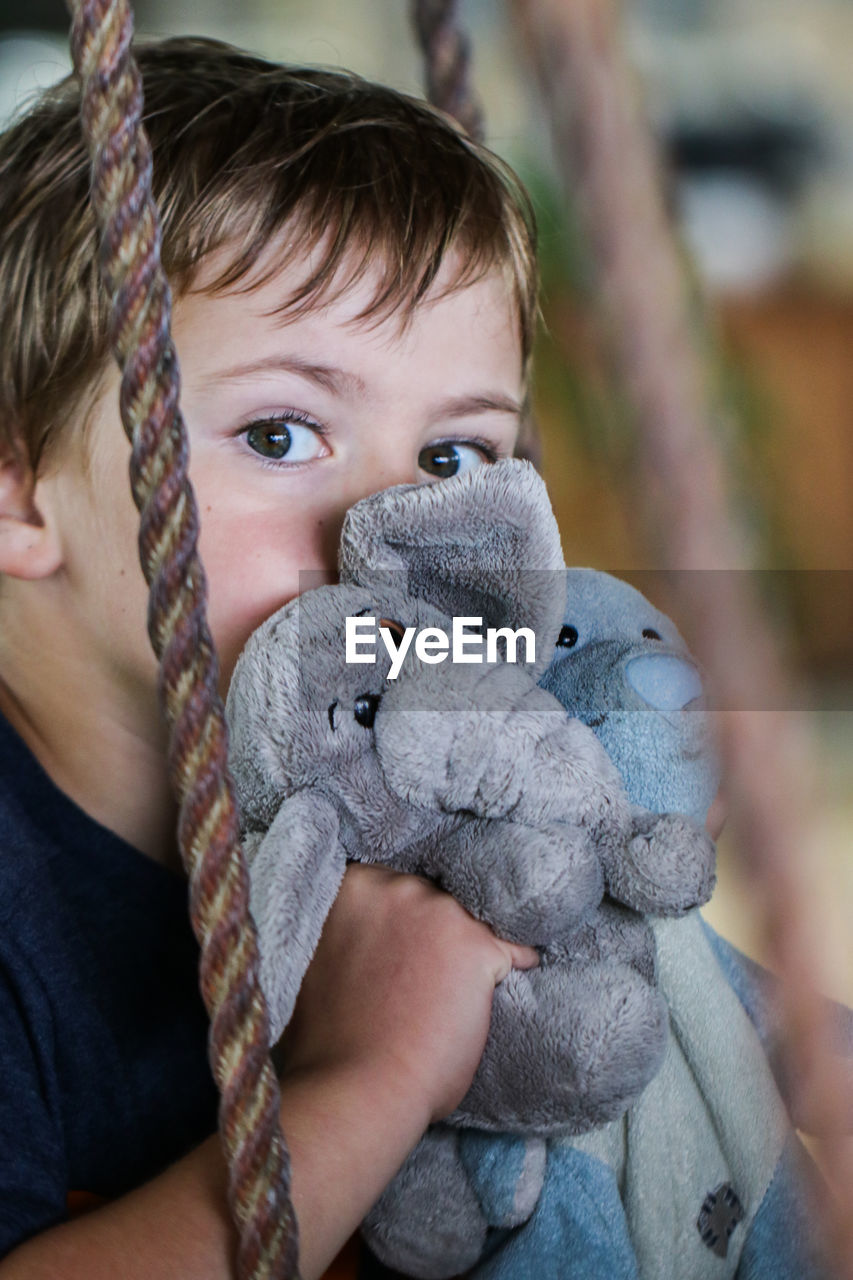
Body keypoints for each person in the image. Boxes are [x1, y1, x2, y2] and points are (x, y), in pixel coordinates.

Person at [0, 35, 542, 1279]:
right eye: (283, 431)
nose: (394, 526)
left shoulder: (424, 777)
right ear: (19, 481)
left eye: (453, 456)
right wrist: (374, 1072)